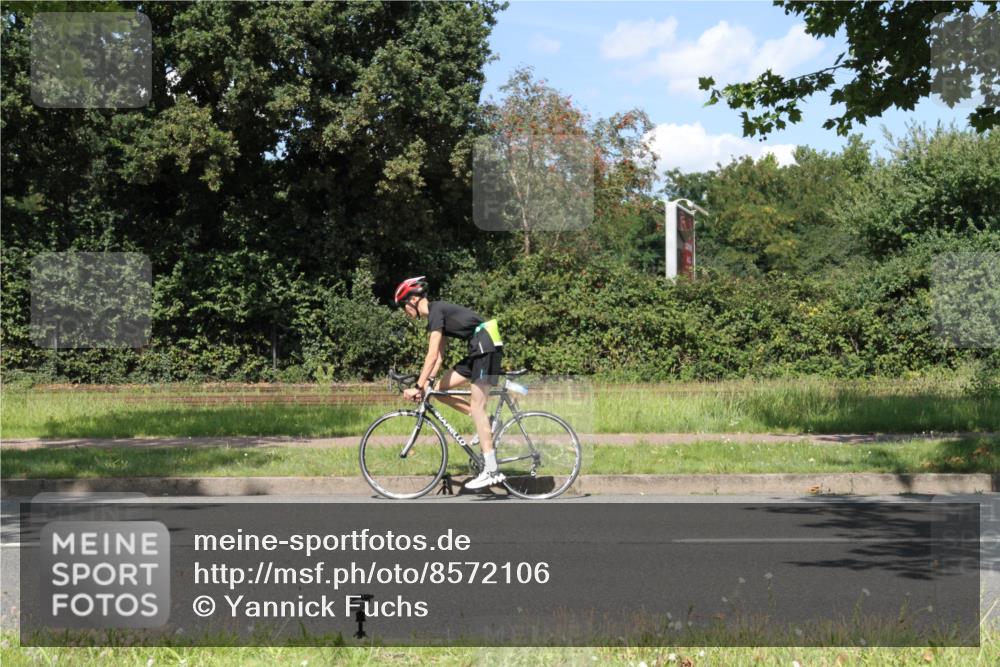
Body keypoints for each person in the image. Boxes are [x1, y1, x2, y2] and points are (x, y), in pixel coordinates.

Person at [394, 276, 505, 490]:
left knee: (478, 406)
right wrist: (428, 384)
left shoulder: (435, 311)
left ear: (413, 300)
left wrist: (418, 386)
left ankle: (491, 469)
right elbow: (439, 357)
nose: (404, 311)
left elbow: (431, 355)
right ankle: (488, 422)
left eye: (403, 305)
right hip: (478, 347)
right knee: (437, 390)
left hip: (485, 345)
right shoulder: (437, 314)